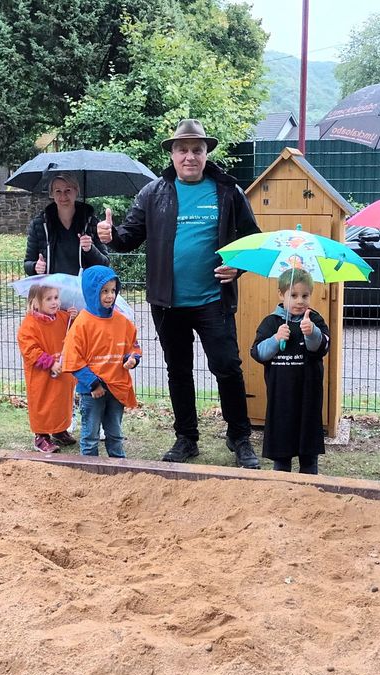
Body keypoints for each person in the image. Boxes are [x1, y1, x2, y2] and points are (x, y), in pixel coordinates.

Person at [97, 118, 261, 468]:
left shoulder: (228, 191)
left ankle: (239, 437)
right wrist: (109, 235)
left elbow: (252, 240)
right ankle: (186, 438)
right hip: (168, 303)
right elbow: (128, 238)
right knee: (179, 370)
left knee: (228, 368)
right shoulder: (153, 193)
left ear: (206, 154)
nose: (190, 156)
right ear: (172, 154)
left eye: (196, 150)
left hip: (213, 300)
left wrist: (238, 267)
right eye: (182, 150)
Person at [250, 268, 330, 474]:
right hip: (281, 398)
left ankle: (309, 476)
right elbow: (259, 353)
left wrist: (312, 333)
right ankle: (281, 479)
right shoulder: (271, 323)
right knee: (282, 446)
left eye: (305, 295)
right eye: (293, 295)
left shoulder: (315, 321)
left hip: (308, 397)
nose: (300, 301)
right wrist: (276, 339)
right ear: (281, 295)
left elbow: (320, 348)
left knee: (308, 446)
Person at [61, 265, 141, 458]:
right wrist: (93, 384)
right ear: (91, 291)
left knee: (115, 434)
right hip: (92, 391)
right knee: (90, 435)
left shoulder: (123, 322)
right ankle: (88, 472)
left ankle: (119, 469)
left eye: (113, 290)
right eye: (104, 291)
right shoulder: (82, 324)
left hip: (116, 387)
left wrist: (132, 359)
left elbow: (132, 346)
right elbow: (72, 359)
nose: (110, 296)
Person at [16, 284, 78, 453]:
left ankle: (59, 430)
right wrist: (50, 362)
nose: (54, 302)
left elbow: (73, 334)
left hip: (62, 371)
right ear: (35, 302)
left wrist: (73, 319)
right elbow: (30, 350)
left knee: (61, 401)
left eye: (56, 298)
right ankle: (41, 436)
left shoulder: (62, 317)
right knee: (43, 403)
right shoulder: (29, 325)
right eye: (48, 299)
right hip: (41, 374)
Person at [24, 173, 110, 275]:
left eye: (68, 190)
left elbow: (105, 264)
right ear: (52, 194)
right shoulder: (39, 224)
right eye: (58, 191)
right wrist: (35, 267)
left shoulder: (91, 223)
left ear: (76, 191)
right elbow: (28, 263)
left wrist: (90, 249)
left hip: (82, 288)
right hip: (51, 288)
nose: (63, 196)